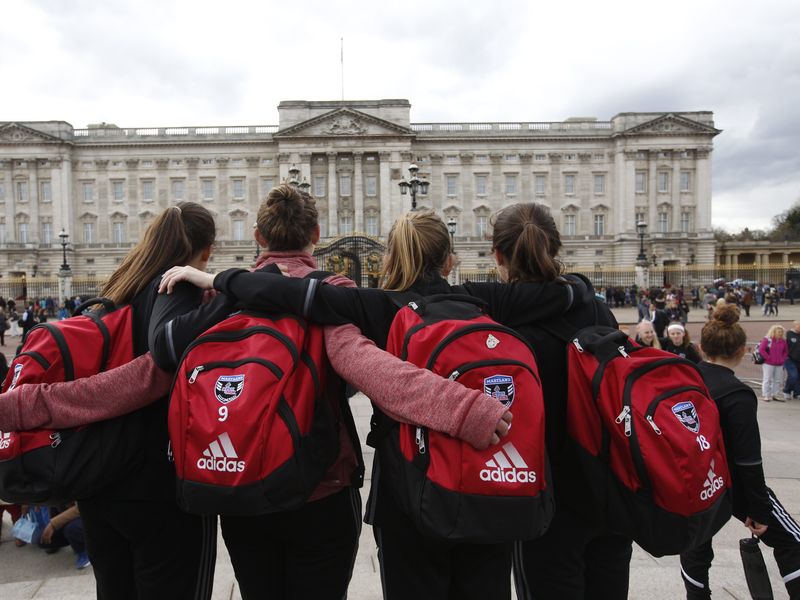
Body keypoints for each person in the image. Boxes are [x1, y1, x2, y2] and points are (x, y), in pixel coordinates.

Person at [160, 203, 629, 600]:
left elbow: (287, 292)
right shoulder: (489, 302)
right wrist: (578, 287)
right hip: (499, 485)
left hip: (408, 494)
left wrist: (217, 278)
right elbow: (548, 297)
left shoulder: (382, 306)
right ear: (450, 260)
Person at [679, 305, 800, 600]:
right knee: (792, 543)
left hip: (693, 481)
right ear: (741, 350)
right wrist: (758, 509)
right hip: (734, 482)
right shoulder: (737, 393)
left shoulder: (684, 380)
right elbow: (748, 461)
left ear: (700, 348)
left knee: (695, 551)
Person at [38, 503, 90, 569]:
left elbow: (79, 508)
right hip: (69, 519)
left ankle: (84, 552)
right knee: (42, 539)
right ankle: (73, 540)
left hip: (87, 517)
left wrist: (53, 524)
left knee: (71, 528)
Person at [758, 324, 789, 402]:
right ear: (774, 332)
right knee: (767, 379)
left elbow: (785, 351)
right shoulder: (767, 340)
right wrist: (768, 358)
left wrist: (783, 358)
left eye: (781, 332)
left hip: (779, 363)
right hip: (768, 363)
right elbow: (761, 350)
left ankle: (775, 394)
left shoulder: (783, 341)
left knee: (778, 380)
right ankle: (766, 395)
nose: (780, 333)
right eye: (779, 332)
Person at [784, 321, 800, 400]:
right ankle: (787, 391)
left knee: (798, 377)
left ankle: (797, 393)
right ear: (795, 326)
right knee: (793, 376)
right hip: (790, 359)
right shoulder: (789, 334)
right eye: (799, 326)